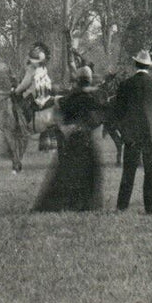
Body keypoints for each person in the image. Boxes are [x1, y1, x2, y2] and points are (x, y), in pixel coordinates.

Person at [33, 66, 105, 212]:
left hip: (73, 140)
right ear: (89, 81)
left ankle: (61, 204)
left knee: (64, 173)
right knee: (90, 174)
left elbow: (60, 114)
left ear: (77, 81)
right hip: (87, 140)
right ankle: (87, 205)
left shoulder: (70, 98)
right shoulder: (93, 98)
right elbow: (99, 117)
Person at [112, 49, 152, 214]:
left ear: (135, 64)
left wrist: (124, 128)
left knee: (128, 172)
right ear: (150, 67)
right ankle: (149, 209)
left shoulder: (125, 85)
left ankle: (121, 207)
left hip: (131, 134)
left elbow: (118, 111)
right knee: (150, 172)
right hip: (151, 134)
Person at [12, 42, 53, 129]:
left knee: (18, 101)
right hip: (46, 96)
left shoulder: (31, 70)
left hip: (35, 97)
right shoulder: (44, 69)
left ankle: (23, 124)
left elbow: (24, 84)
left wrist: (15, 91)